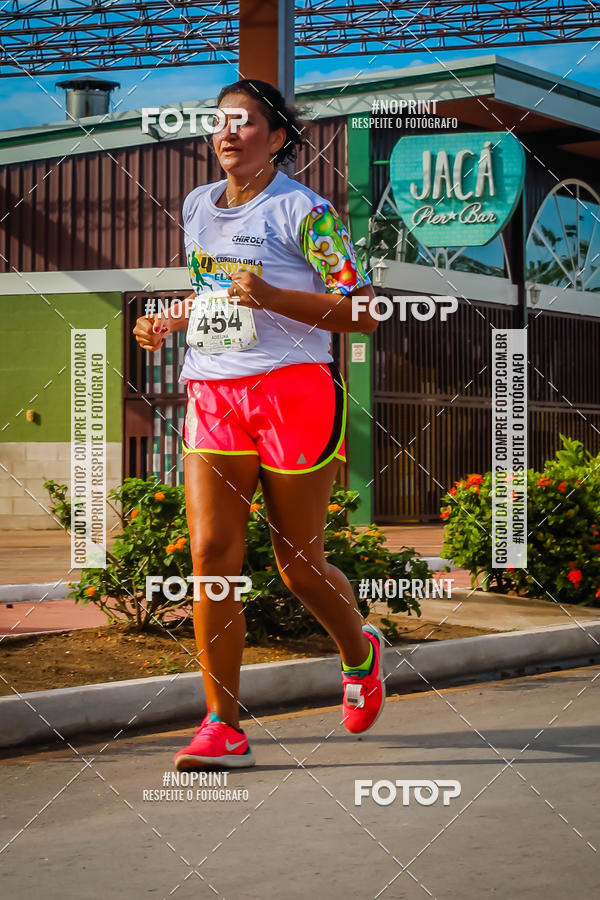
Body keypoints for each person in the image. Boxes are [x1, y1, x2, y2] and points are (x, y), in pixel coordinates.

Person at [133, 79, 385, 771]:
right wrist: (167, 320)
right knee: (212, 554)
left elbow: (363, 311)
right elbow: (213, 295)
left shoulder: (307, 212)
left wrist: (275, 295)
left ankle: (360, 653)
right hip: (213, 391)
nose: (229, 133)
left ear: (277, 139)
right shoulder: (196, 207)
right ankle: (223, 725)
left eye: (245, 123)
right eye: (221, 122)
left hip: (293, 393)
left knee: (299, 565)